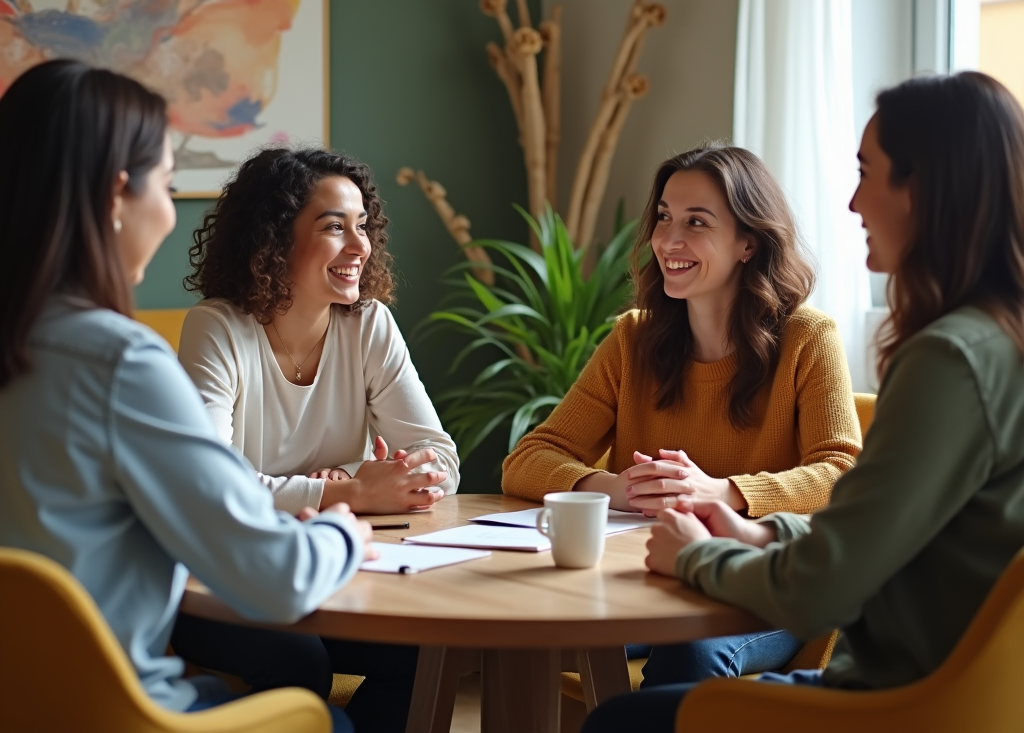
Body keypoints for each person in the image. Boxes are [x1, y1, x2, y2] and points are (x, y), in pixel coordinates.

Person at [583, 71, 1024, 732]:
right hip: (970, 693)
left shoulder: (949, 360)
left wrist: (697, 553)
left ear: (925, 188)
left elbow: (825, 589)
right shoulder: (998, 342)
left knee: (619, 722)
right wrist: (761, 531)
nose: (852, 202)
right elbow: (878, 536)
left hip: (901, 703)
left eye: (866, 172)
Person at [0, 60, 367, 732]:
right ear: (117, 196)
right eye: (167, 186)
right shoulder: (117, 362)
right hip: (117, 714)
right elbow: (271, 576)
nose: (170, 213)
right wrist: (343, 531)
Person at [503, 143, 862, 682]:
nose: (669, 240)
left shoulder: (808, 339)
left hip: (760, 585)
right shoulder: (632, 339)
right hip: (649, 575)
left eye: (697, 222)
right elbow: (528, 458)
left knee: (691, 651)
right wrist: (618, 488)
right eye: (665, 217)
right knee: (529, 628)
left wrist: (724, 493)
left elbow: (844, 473)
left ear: (748, 242)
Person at [171, 146, 458, 732]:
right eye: (334, 227)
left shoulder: (369, 324)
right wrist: (339, 493)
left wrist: (395, 480)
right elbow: (210, 489)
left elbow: (444, 461)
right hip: (219, 576)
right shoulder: (218, 328)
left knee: (421, 654)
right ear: (274, 239)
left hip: (329, 569)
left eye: (363, 226)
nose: (360, 247)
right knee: (299, 662)